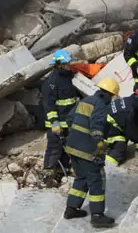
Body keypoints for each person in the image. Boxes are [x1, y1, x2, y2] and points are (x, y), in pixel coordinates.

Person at [64, 77, 120, 228]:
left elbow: (69, 119)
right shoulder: (101, 105)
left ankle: (71, 209)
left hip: (72, 147)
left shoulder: (85, 100)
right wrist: (100, 142)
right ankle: (97, 216)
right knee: (96, 181)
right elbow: (97, 125)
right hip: (88, 150)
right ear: (109, 94)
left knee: (81, 178)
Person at [41, 49, 79, 186]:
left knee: (66, 149)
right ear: (59, 64)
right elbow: (48, 105)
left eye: (69, 62)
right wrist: (54, 122)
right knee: (54, 148)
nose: (69, 65)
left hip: (68, 122)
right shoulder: (51, 82)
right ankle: (47, 176)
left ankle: (61, 174)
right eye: (66, 63)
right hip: (56, 124)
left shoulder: (68, 78)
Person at [105, 88, 138, 167]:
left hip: (108, 123)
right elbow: (132, 132)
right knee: (120, 147)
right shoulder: (130, 111)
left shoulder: (129, 100)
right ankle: (108, 166)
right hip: (107, 129)